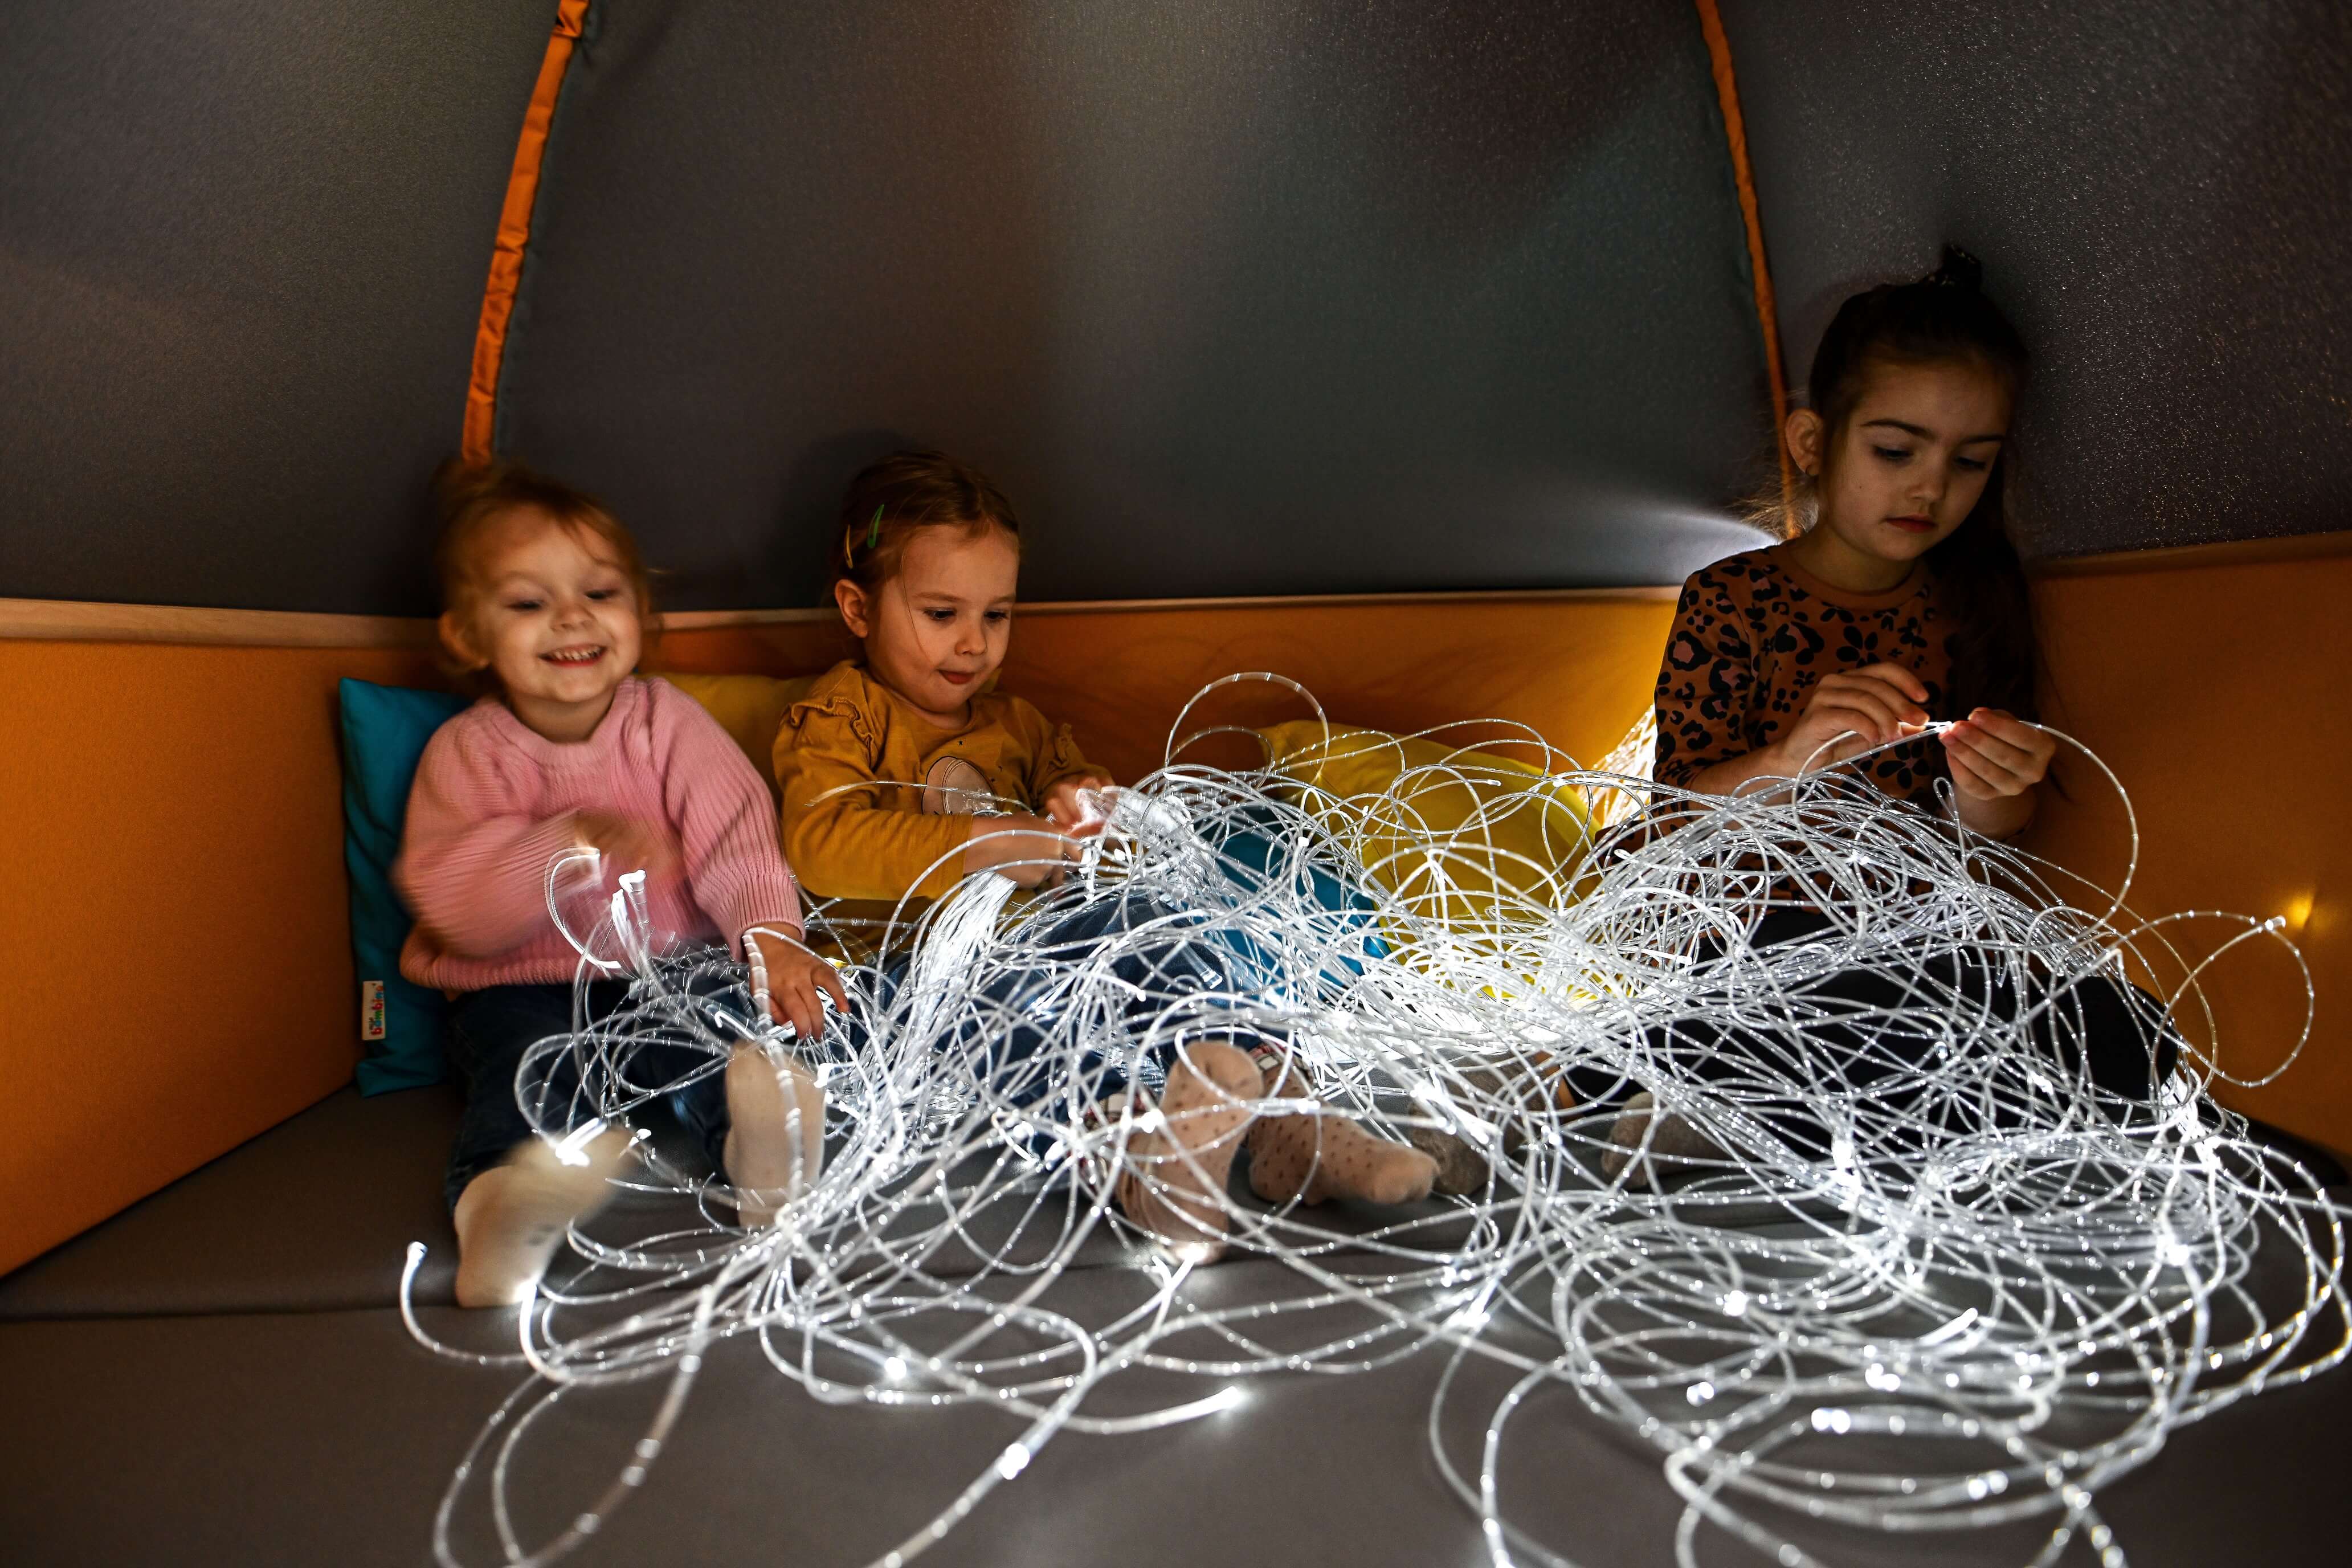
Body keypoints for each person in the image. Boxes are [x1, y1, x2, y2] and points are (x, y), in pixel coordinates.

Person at [1599, 250, 2177, 1178]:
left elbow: (1989, 841)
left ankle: (1774, 1104)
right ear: (1811, 443)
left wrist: (1996, 792)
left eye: (1970, 463)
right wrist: (1789, 760)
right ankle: (1723, 1089)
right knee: (1806, 1002)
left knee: (2122, 1034)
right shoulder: (1730, 598)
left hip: (1919, 950)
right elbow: (1672, 825)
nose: (1929, 488)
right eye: (1896, 451)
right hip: (1753, 941)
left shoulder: (1968, 606)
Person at [775, 451, 1436, 1259]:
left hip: (1049, 943)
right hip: (916, 980)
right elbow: (819, 843)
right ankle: (1140, 1168)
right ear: (857, 608)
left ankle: (1286, 1122)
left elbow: (1077, 793)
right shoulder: (841, 715)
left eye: (998, 616)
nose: (974, 644)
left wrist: (1084, 802)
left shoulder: (1017, 722)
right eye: (942, 614)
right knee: (1022, 1028)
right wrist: (980, 845)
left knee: (1158, 928)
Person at [399, 462, 847, 1306]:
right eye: (529, 603)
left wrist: (775, 941)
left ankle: (764, 1157)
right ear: (466, 636)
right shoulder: (470, 752)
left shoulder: (667, 722)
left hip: (668, 971)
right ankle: (500, 1212)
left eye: (600, 593)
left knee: (718, 1033)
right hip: (520, 989)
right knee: (528, 1075)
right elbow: (458, 911)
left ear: (641, 614)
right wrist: (562, 847)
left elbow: (739, 840)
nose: (572, 618)